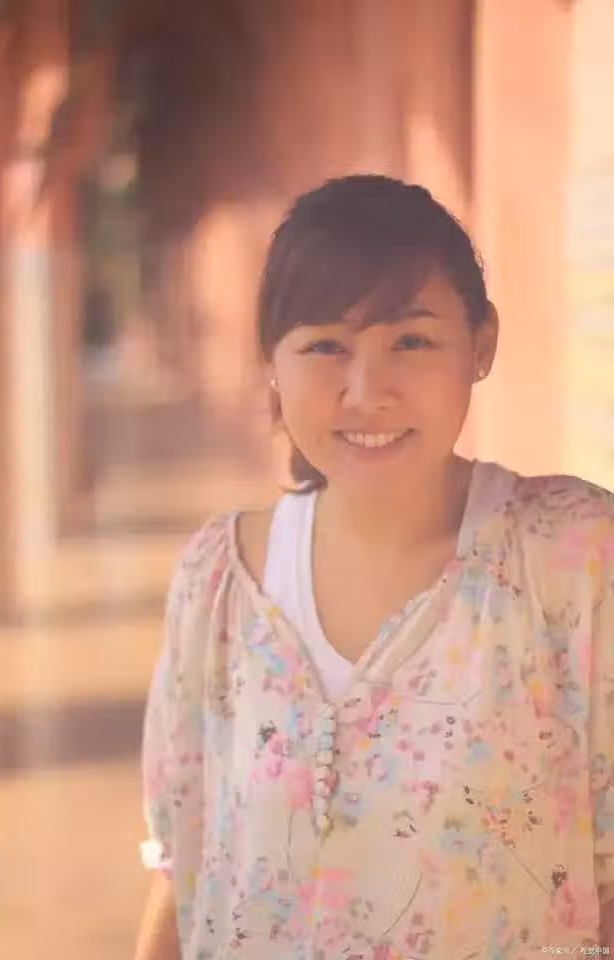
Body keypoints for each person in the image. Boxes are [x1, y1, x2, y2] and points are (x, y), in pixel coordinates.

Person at [134, 175, 614, 959]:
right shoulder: (218, 586)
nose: (367, 391)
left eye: (411, 342)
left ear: (481, 346)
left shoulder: (572, 559)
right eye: (325, 346)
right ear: (271, 362)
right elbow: (181, 866)